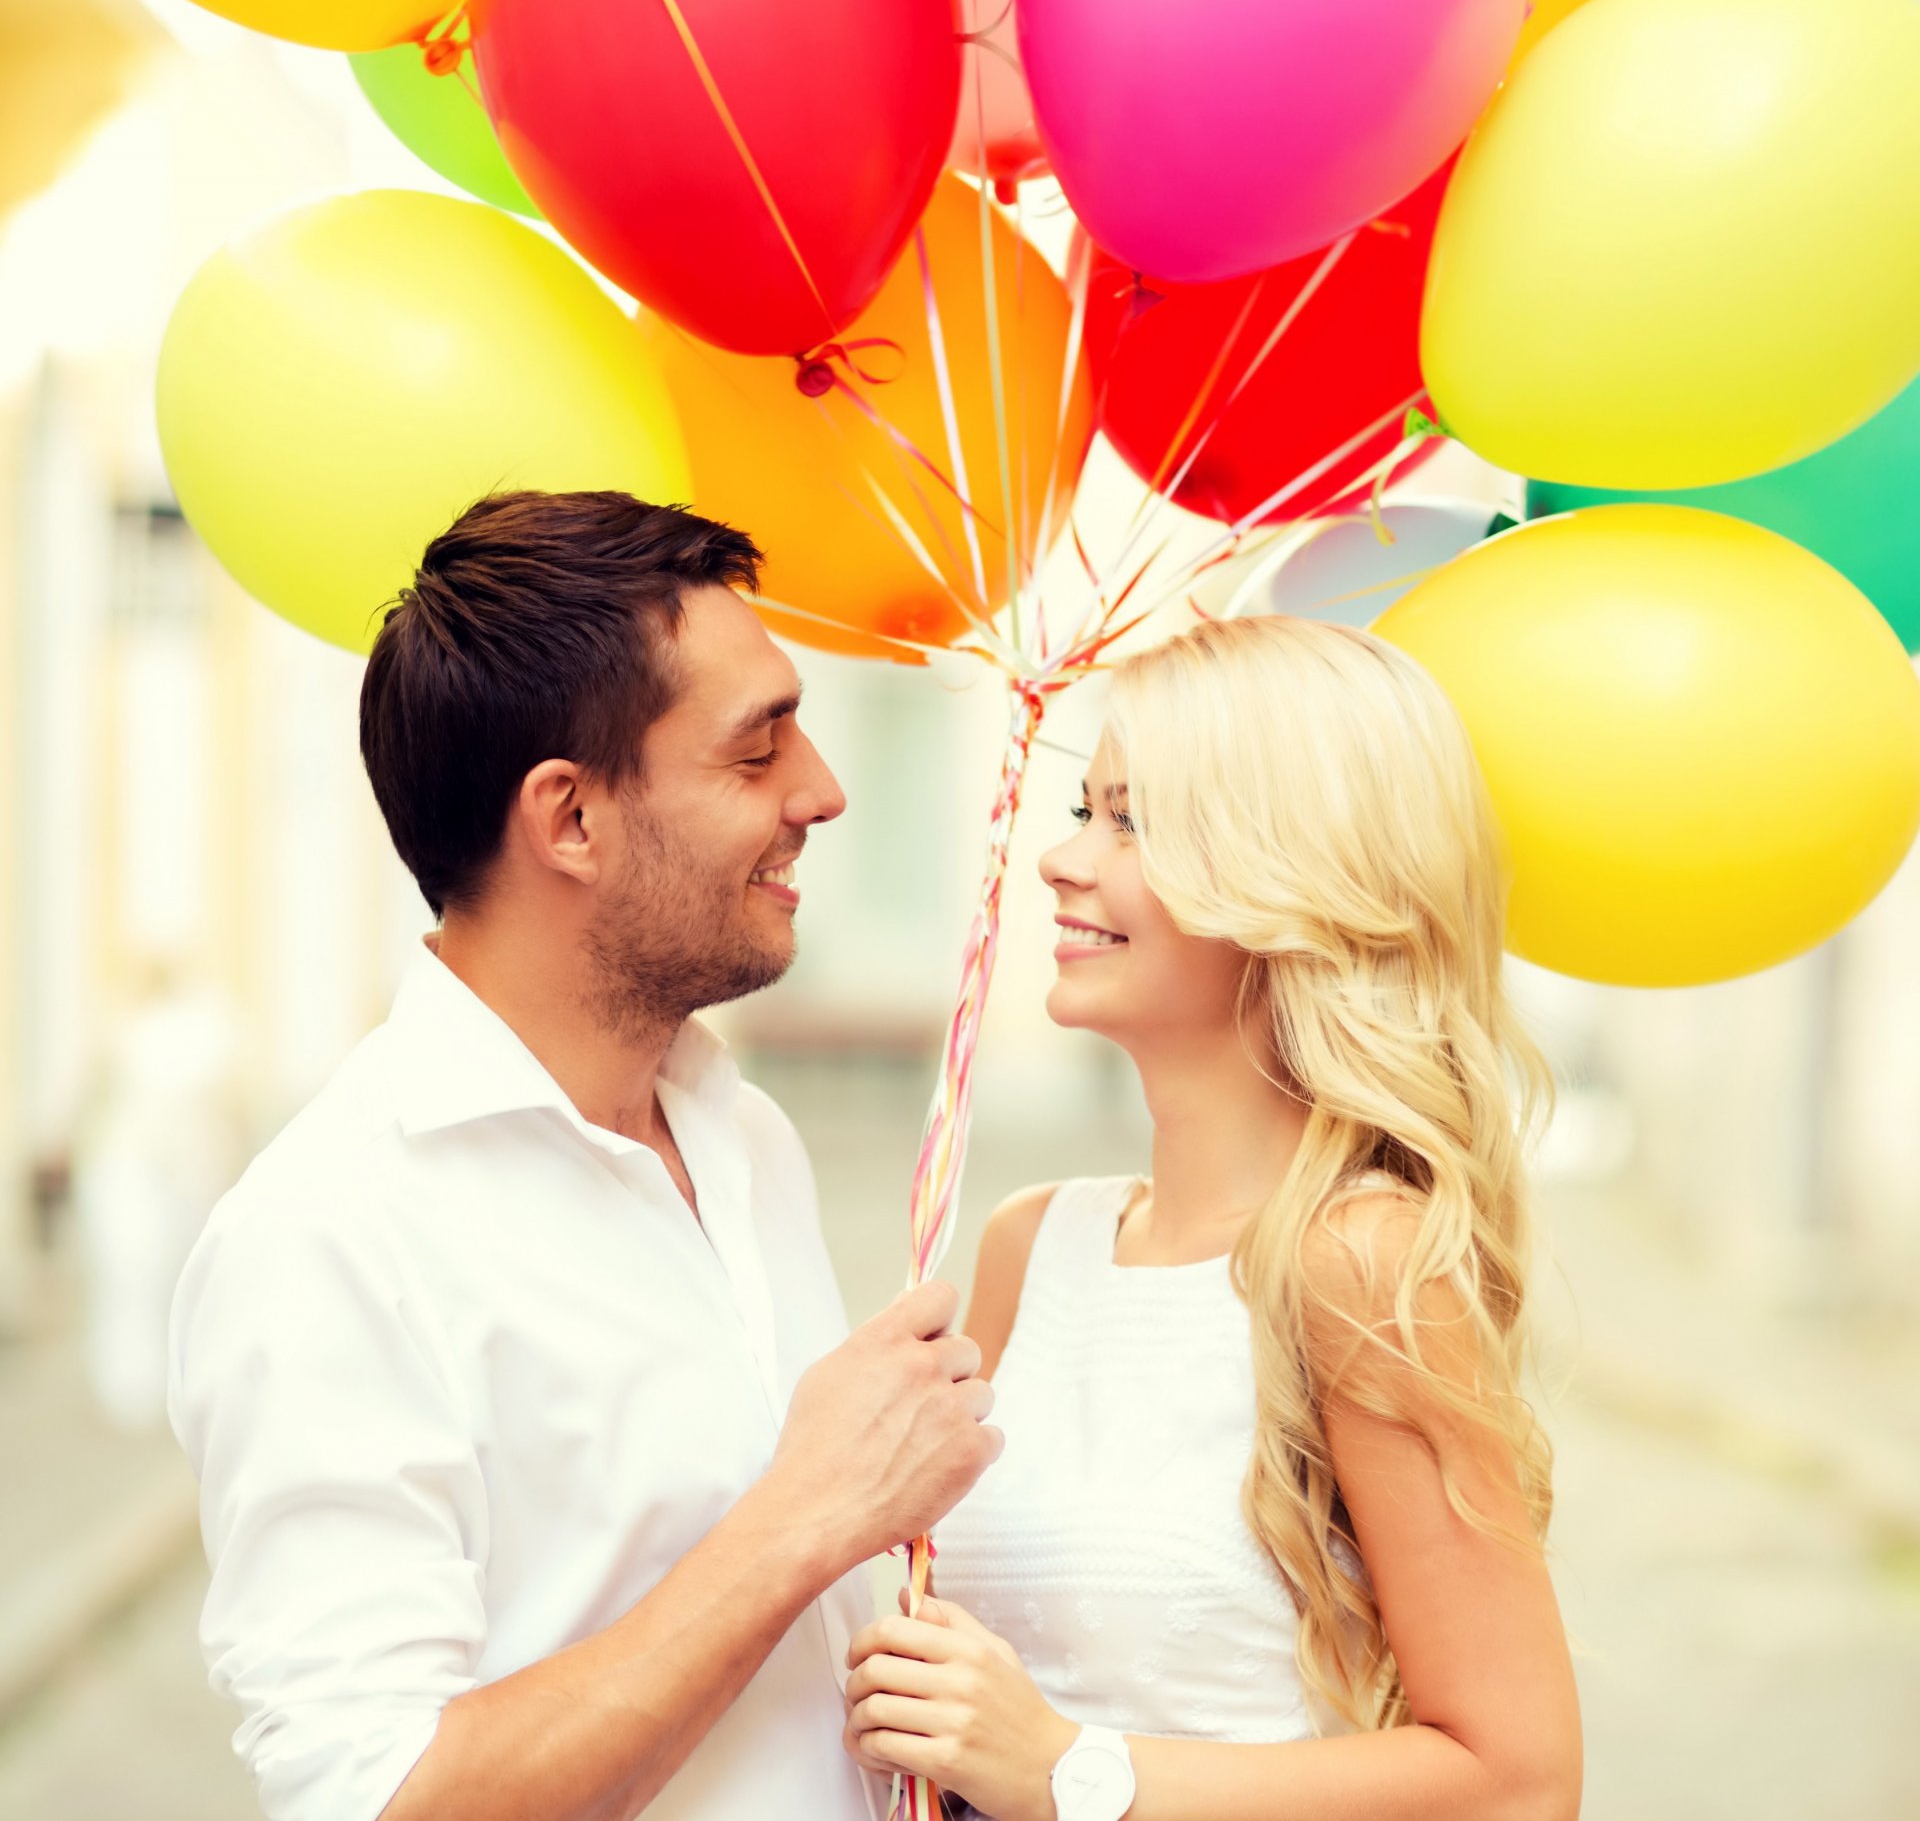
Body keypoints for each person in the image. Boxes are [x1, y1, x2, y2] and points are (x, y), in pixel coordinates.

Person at [167, 491, 1001, 1821]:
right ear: (569, 819)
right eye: (755, 749)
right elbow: (380, 1795)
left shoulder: (746, 1135)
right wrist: (808, 1515)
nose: (823, 791)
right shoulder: (329, 1235)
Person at [842, 616, 1583, 1821]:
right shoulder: (1031, 1245)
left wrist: (1071, 1768)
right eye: (1086, 810)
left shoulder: (1354, 1258)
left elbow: (1517, 1777)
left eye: (1135, 821)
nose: (1064, 860)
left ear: (1284, 876)